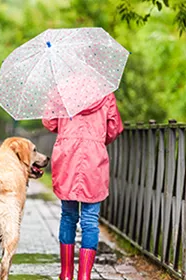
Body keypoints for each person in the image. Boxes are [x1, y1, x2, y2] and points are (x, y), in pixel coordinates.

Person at [42, 92, 123, 280]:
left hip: (67, 155)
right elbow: (114, 128)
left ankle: (66, 273)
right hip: (94, 157)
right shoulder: (105, 93)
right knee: (90, 219)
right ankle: (85, 275)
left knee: (68, 216)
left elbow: (49, 122)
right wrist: (98, 137)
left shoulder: (61, 90)